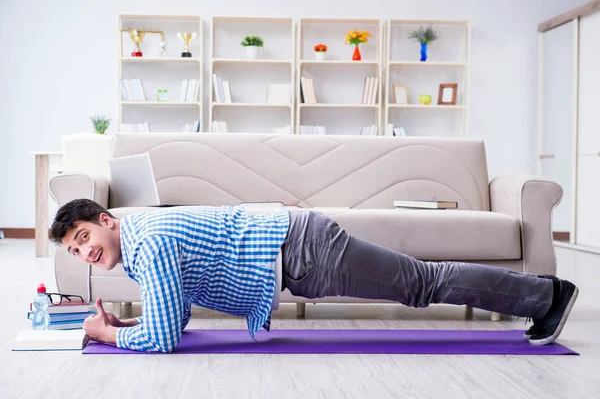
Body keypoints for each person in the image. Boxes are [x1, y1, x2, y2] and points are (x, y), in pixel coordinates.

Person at [50, 199, 579, 353]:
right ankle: (544, 296)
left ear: (105, 221)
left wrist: (110, 333)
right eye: (75, 252)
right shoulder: (141, 235)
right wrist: (133, 323)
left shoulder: (147, 241)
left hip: (305, 250)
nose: (85, 253)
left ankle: (548, 296)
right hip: (299, 251)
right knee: (422, 282)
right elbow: (178, 310)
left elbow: (164, 336)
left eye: (84, 239)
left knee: (423, 284)